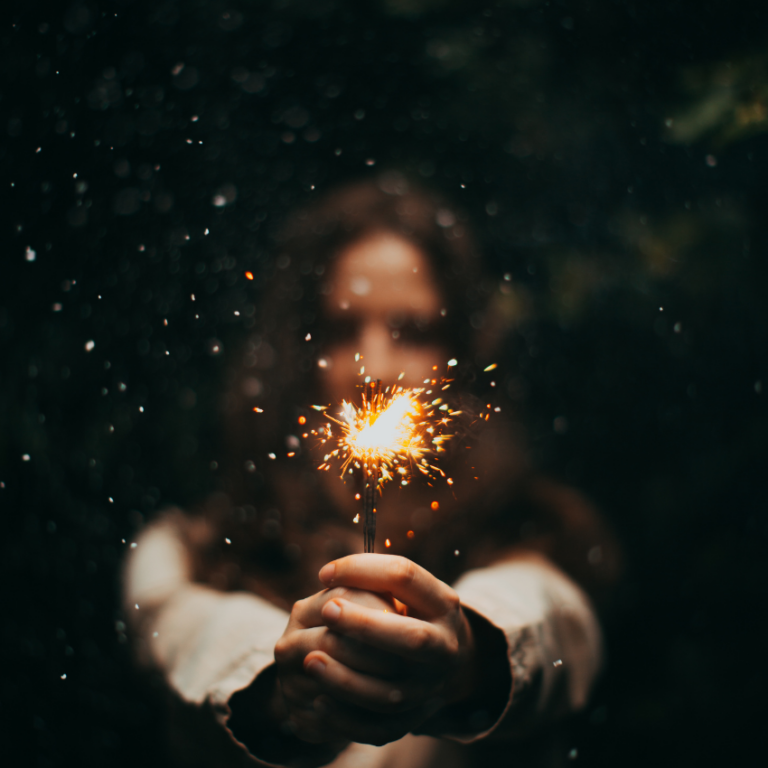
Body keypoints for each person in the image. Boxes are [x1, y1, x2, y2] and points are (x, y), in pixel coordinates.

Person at [123, 175, 621, 767]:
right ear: (295, 354)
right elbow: (191, 638)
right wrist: (288, 680)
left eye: (410, 331)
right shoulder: (187, 549)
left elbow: (547, 621)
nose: (373, 368)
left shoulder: (534, 532)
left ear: (461, 354)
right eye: (339, 329)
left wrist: (465, 654)